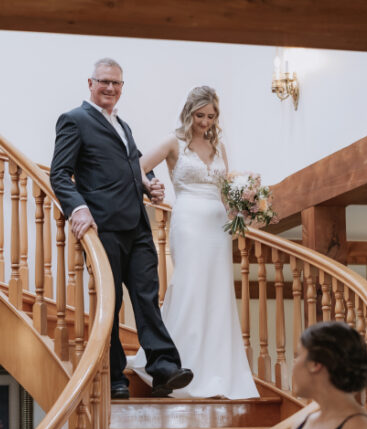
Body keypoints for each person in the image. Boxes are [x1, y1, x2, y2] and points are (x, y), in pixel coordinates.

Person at [50, 58, 192, 400]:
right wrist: (78, 209)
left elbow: (138, 164)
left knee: (147, 299)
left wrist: (152, 184)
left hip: (138, 227)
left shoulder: (123, 126)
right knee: (110, 305)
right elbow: (59, 173)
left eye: (116, 83)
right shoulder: (75, 120)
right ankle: (115, 376)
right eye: (104, 82)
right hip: (104, 229)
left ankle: (164, 369)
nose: (110, 88)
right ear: (90, 83)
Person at [127, 86, 258, 399]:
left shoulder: (219, 147)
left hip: (217, 225)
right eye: (200, 115)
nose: (205, 122)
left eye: (211, 116)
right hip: (187, 220)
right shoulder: (175, 142)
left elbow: (226, 192)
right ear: (190, 112)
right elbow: (138, 167)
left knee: (217, 291)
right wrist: (152, 186)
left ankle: (216, 370)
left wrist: (244, 205)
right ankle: (170, 361)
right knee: (188, 285)